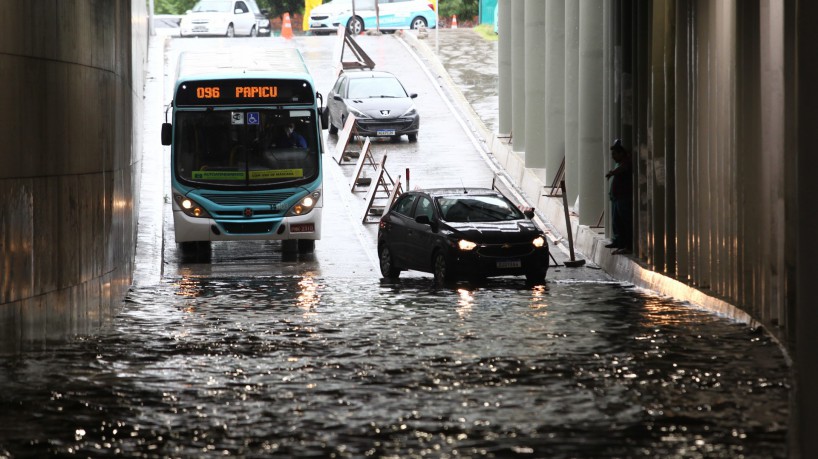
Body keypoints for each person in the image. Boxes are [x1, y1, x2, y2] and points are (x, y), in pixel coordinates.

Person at [605, 139, 633, 254]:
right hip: (617, 198)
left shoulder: (626, 162)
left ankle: (628, 245)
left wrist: (612, 172)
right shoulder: (620, 163)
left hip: (623, 198)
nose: (613, 157)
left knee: (625, 222)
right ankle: (618, 241)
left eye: (614, 154)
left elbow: (622, 169)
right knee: (616, 221)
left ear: (621, 153)